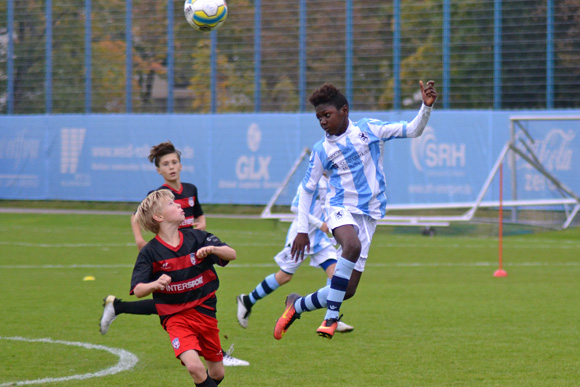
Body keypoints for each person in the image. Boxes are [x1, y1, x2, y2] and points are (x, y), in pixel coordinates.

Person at [274, 81, 438, 340]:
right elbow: (307, 191)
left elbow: (413, 130)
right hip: (339, 208)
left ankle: (297, 305)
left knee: (347, 289)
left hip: (369, 214)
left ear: (345, 110)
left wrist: (426, 107)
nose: (323, 122)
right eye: (319, 118)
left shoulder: (369, 129)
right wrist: (302, 230)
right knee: (351, 246)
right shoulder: (321, 151)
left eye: (327, 115)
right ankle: (331, 317)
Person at [100, 141, 248, 366]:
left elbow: (199, 214)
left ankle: (118, 307)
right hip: (166, 250)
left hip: (190, 248)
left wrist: (201, 230)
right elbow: (137, 215)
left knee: (182, 296)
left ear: (180, 165)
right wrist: (140, 239)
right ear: (158, 170)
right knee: (171, 298)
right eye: (165, 164)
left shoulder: (190, 190)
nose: (171, 167)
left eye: (174, 162)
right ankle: (213, 353)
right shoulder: (158, 196)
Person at [131, 189, 236, 386]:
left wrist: (214, 249)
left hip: (205, 311)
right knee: (195, 368)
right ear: (158, 217)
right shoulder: (150, 252)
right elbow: (138, 290)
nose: (179, 205)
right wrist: (154, 284)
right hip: (175, 317)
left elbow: (231, 254)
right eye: (171, 204)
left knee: (217, 373)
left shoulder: (197, 238)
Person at [236, 175, 354, 333]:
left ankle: (330, 318)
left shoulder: (334, 181)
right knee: (284, 276)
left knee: (335, 274)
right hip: (301, 236)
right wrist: (320, 224)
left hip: (319, 240)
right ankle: (247, 300)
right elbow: (296, 207)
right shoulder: (313, 179)